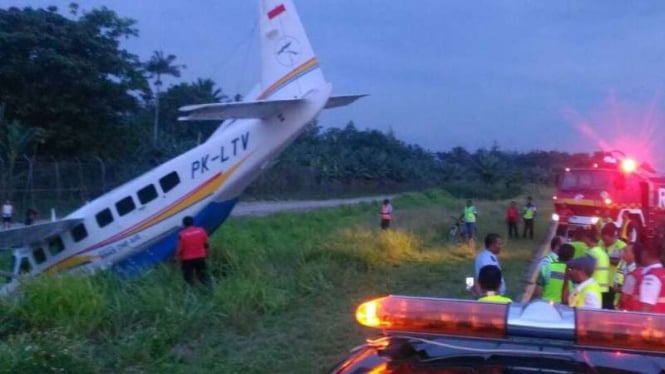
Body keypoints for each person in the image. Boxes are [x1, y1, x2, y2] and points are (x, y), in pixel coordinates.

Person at [176, 216, 210, 285]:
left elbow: (180, 249)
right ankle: (207, 291)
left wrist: (177, 258)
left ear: (184, 224)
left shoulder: (182, 234)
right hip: (200, 257)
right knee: (203, 276)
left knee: (188, 279)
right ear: (193, 223)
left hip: (187, 260)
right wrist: (207, 254)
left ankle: (190, 293)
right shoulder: (202, 231)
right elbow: (206, 245)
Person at [583, 229, 611, 309]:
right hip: (604, 288)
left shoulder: (592, 252)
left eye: (585, 239)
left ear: (588, 238)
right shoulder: (602, 252)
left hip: (594, 288)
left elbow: (586, 270)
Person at [634, 241, 665, 313]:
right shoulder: (661, 273)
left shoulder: (651, 276)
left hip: (650, 322)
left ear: (645, 253)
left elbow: (646, 308)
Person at [599, 224, 626, 308]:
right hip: (600, 282)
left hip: (613, 283)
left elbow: (620, 262)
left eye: (607, 240)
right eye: (603, 239)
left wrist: (605, 258)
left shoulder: (621, 246)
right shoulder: (600, 243)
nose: (605, 242)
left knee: (609, 307)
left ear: (613, 237)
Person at [615, 243, 637, 310]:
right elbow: (616, 286)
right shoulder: (622, 265)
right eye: (623, 250)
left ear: (633, 254)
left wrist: (622, 289)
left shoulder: (636, 269)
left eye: (626, 251)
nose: (623, 253)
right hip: (620, 302)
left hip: (630, 306)